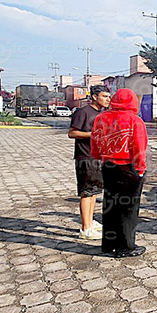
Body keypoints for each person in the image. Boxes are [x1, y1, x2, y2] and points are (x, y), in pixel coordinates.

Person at [90, 88, 148, 258]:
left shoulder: (101, 118)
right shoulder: (134, 121)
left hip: (108, 167)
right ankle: (125, 247)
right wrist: (140, 170)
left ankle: (108, 245)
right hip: (128, 168)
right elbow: (139, 148)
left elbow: (95, 141)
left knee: (110, 206)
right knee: (128, 209)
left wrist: (99, 156)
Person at [68, 85, 111, 240]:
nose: (107, 100)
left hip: (98, 157)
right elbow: (72, 133)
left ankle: (90, 222)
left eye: (108, 97)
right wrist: (92, 135)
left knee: (94, 191)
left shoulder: (102, 113)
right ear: (94, 96)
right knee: (86, 192)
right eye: (104, 96)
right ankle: (85, 228)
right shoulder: (83, 112)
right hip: (85, 157)